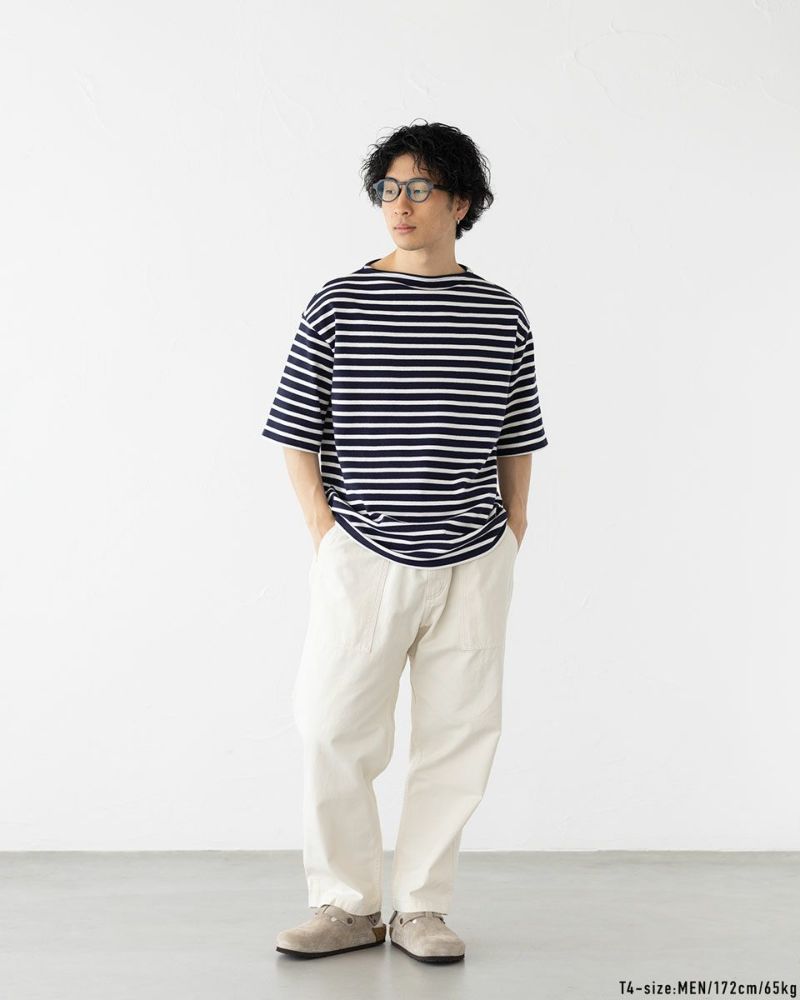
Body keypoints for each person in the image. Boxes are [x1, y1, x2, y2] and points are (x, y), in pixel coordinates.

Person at [261, 121, 549, 963]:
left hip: (474, 558)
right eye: (389, 189)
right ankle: (346, 906)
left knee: (457, 738)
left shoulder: (500, 312)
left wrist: (513, 529)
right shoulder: (339, 304)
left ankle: (421, 907)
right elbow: (297, 431)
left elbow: (516, 434)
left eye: (420, 188)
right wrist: (325, 534)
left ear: (463, 202)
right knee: (331, 727)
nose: (400, 204)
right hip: (362, 552)